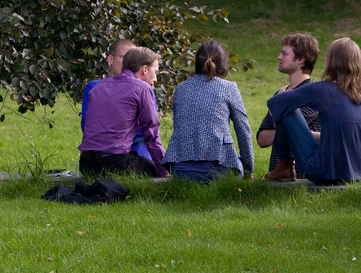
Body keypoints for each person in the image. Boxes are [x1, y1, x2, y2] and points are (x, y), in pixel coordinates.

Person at [264, 37, 361, 184]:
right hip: (357, 172)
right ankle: (284, 167)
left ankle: (284, 166)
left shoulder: (323, 90)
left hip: (322, 171)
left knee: (286, 106)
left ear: (330, 61)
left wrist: (282, 99)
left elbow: (275, 103)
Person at [163, 40, 255, 182]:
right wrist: (249, 168)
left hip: (180, 171)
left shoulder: (181, 88)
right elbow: (243, 129)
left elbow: (178, 126)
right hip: (220, 170)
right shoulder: (229, 88)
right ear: (224, 64)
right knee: (237, 165)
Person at [78, 46, 169, 177]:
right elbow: (151, 133)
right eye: (155, 72)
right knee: (153, 168)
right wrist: (163, 170)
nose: (155, 79)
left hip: (86, 163)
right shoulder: (142, 88)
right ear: (144, 69)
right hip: (115, 162)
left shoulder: (99, 86)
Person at [256, 33, 322, 172]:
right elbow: (262, 139)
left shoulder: (312, 95)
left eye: (284, 54)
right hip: (278, 177)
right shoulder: (280, 94)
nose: (279, 57)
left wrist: (279, 122)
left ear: (301, 60)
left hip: (304, 179)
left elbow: (289, 128)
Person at [80, 38, 151, 160]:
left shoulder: (143, 89)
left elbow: (148, 130)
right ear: (110, 59)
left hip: (140, 155)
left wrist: (112, 134)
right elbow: (88, 128)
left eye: (133, 60)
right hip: (107, 158)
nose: (129, 64)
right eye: (124, 58)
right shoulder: (95, 87)